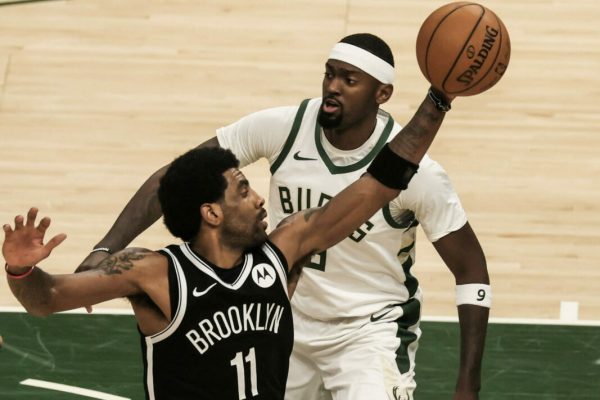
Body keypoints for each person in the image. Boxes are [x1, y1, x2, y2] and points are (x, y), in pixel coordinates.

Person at [78, 34, 490, 400]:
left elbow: (471, 268)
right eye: (330, 74)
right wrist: (105, 247)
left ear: (381, 94)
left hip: (369, 331)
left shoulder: (419, 172)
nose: (333, 87)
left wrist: (467, 385)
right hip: (281, 319)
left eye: (349, 80)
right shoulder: (284, 126)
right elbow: (171, 181)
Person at [4, 89, 453, 400]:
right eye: (242, 190)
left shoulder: (284, 250)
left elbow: (376, 185)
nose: (260, 199)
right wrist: (23, 271)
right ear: (211, 213)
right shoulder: (154, 272)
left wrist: (437, 102)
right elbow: (49, 299)